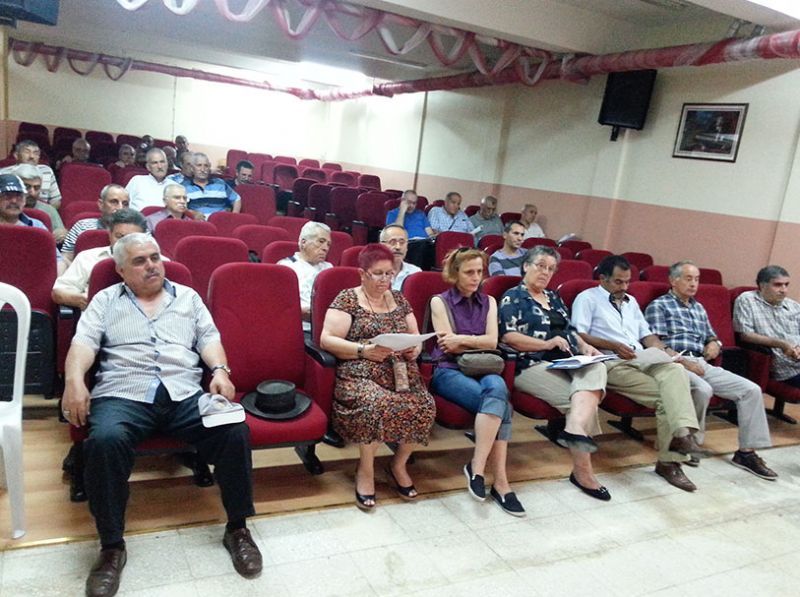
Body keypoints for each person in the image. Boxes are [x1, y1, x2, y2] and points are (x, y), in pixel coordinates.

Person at [61, 232, 262, 596]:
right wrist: (74, 380)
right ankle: (111, 546)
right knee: (104, 441)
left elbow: (209, 338)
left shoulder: (188, 297)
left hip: (183, 392)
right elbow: (83, 344)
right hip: (123, 393)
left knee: (234, 430)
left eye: (155, 257)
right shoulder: (105, 300)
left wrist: (220, 370)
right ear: (121, 270)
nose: (152, 265)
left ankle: (238, 528)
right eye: (139, 261)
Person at [571, 255, 706, 492]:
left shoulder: (631, 302)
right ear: (602, 279)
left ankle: (681, 436)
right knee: (668, 399)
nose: (624, 287)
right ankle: (670, 460)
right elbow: (578, 334)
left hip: (640, 357)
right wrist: (613, 345)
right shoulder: (587, 298)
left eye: (627, 282)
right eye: (618, 282)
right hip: (611, 361)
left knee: (675, 369)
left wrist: (667, 352)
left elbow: (647, 335)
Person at [320, 244, 435, 511]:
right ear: (362, 274)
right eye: (378, 273)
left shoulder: (399, 299)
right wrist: (364, 350)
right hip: (359, 370)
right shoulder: (347, 299)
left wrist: (414, 349)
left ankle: (398, 464)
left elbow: (415, 337)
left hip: (400, 372)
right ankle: (366, 469)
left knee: (425, 405)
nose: (385, 279)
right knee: (376, 405)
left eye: (389, 273)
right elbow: (327, 340)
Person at [645, 261, 776, 480]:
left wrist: (715, 343)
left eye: (697, 279)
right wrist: (683, 361)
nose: (694, 284)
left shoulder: (698, 307)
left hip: (701, 362)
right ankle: (688, 444)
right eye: (688, 278)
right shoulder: (659, 306)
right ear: (673, 281)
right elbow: (654, 344)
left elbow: (711, 336)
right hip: (673, 362)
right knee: (703, 389)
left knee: (751, 390)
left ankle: (746, 453)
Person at [499, 246, 611, 501]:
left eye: (550, 269)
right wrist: (546, 344)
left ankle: (573, 428)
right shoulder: (513, 297)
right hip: (529, 363)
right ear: (526, 266)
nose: (545, 272)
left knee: (597, 367)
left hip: (565, 362)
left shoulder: (554, 297)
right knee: (582, 402)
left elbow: (569, 330)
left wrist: (584, 346)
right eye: (540, 266)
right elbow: (509, 336)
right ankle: (584, 473)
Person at [430, 248, 524, 515]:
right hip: (448, 369)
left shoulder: (490, 302)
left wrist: (462, 339)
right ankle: (501, 483)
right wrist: (474, 341)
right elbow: (447, 346)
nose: (475, 278)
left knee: (497, 388)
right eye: (469, 272)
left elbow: (492, 342)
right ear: (455, 273)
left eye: (479, 272)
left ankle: (478, 468)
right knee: (502, 405)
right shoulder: (439, 302)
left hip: (484, 366)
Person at [52, 209, 148, 310]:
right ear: (110, 235)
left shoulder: (154, 263)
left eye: (132, 238)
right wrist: (85, 299)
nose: (124, 243)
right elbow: (58, 292)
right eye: (119, 237)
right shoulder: (87, 258)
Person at [734, 265, 800, 387]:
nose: (784, 290)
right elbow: (745, 335)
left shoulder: (794, 306)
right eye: (778, 285)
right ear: (762, 285)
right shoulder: (747, 300)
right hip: (785, 368)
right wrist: (782, 344)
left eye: (786, 285)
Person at [277, 221, 333, 333]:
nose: (325, 248)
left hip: (328, 329)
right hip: (299, 329)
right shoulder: (286, 267)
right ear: (304, 242)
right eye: (321, 241)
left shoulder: (329, 268)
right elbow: (280, 306)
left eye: (328, 244)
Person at [62, 184, 130, 263]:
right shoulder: (82, 226)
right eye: (114, 202)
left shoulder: (135, 230)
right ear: (101, 204)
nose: (120, 208)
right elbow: (65, 258)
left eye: (125, 204)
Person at [0, 139, 62, 208]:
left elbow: (56, 200)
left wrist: (46, 211)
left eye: (36, 153)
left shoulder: (47, 171)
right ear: (16, 155)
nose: (32, 156)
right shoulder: (3, 173)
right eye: (27, 152)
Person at [15, 163, 67, 244]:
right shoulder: (5, 208)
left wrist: (62, 234)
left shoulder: (49, 210)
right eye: (27, 187)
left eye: (36, 188)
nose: (32, 192)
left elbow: (62, 233)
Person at [385, 190, 435, 270]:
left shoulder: (420, 214)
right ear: (402, 201)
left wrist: (434, 238)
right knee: (420, 247)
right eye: (409, 202)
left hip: (425, 243)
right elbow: (396, 232)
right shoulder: (392, 214)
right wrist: (402, 211)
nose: (411, 206)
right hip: (409, 243)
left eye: (414, 203)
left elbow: (430, 233)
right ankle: (416, 274)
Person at [379, 224, 420, 291]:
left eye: (402, 242)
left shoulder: (415, 272)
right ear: (381, 246)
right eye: (392, 242)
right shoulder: (372, 273)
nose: (398, 247)